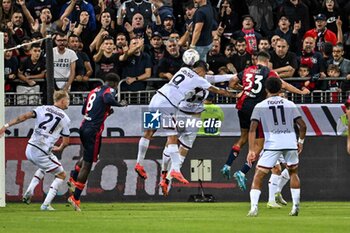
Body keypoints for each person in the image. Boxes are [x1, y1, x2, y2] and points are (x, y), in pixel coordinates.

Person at [221, 51, 310, 191]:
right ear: (267, 61)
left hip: (243, 106)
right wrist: (301, 92)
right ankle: (242, 171)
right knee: (260, 144)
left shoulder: (247, 70)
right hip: (257, 108)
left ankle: (228, 164)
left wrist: (243, 89)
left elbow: (232, 82)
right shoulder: (268, 72)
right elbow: (284, 85)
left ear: (257, 60)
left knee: (244, 137)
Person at [134, 60, 234, 185]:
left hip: (156, 97)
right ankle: (176, 169)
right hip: (167, 104)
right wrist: (235, 96)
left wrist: (232, 76)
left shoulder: (183, 70)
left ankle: (139, 163)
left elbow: (212, 78)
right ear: (202, 70)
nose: (205, 75)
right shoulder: (199, 79)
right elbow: (218, 90)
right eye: (205, 72)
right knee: (172, 137)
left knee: (148, 132)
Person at [0, 90, 71, 210]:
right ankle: (46, 205)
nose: (68, 102)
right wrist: (60, 147)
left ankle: (30, 190)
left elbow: (23, 117)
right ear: (63, 100)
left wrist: (6, 126)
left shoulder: (42, 108)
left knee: (44, 166)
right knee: (61, 175)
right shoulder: (65, 119)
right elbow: (66, 142)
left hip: (30, 148)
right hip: (42, 152)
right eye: (68, 100)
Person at [246, 77, 306, 217]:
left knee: (258, 175)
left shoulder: (260, 105)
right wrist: (300, 142)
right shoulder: (289, 103)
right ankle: (295, 207)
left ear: (266, 89)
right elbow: (302, 126)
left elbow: (252, 129)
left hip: (272, 144)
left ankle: (254, 208)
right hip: (290, 143)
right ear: (281, 89)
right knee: (293, 173)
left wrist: (251, 150)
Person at [67, 73, 127, 211]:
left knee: (87, 156)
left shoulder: (93, 91)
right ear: (114, 84)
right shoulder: (108, 90)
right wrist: (119, 104)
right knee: (88, 165)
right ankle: (75, 197)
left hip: (83, 127)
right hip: (93, 131)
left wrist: (104, 112)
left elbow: (84, 110)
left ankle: (73, 178)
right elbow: (107, 98)